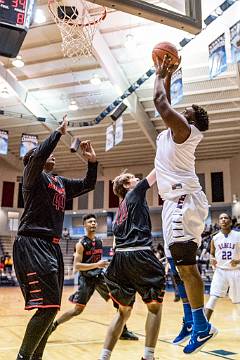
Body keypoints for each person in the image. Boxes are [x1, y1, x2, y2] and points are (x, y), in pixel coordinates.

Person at [13, 115, 98, 360]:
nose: (51, 155)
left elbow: (88, 184)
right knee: (47, 308)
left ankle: (36, 357)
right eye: (43, 153)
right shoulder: (32, 176)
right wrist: (58, 133)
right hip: (32, 243)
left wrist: (92, 162)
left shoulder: (59, 182)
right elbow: (38, 155)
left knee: (51, 309)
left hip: (52, 247)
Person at [153, 55, 218, 354]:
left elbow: (160, 103)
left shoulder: (185, 132)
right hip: (172, 201)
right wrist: (168, 75)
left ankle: (202, 326)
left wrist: (157, 74)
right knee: (177, 265)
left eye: (186, 111)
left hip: (185, 199)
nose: (182, 110)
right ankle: (190, 321)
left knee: (187, 266)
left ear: (190, 121)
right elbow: (166, 101)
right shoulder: (175, 131)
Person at [99, 170, 165, 360]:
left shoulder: (120, 209)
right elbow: (156, 172)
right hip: (139, 255)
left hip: (119, 260)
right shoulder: (134, 193)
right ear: (127, 185)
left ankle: (104, 357)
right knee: (154, 307)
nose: (138, 179)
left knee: (123, 311)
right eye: (134, 178)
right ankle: (148, 356)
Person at [52, 213, 138, 340]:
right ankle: (53, 325)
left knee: (118, 298)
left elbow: (98, 263)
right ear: (84, 225)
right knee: (77, 310)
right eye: (90, 222)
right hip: (86, 279)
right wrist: (97, 264)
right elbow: (77, 266)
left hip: (99, 277)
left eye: (94, 221)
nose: (93, 223)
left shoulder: (99, 242)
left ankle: (123, 330)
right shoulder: (81, 243)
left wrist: (104, 265)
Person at [205, 213, 240, 320]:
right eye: (221, 218)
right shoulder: (215, 238)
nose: (223, 220)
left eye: (226, 218)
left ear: (230, 221)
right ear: (219, 222)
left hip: (236, 271)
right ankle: (203, 327)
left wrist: (238, 261)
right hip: (220, 271)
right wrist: (212, 259)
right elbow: (212, 253)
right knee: (213, 297)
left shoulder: (238, 235)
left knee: (238, 301)